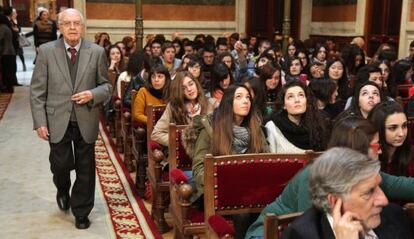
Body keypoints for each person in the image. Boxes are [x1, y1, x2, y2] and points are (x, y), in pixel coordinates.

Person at [245, 117, 414, 238]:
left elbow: (403, 185)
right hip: (267, 232)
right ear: (357, 149)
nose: (381, 151)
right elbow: (315, 226)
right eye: (377, 145)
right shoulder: (316, 175)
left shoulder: (368, 175)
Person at [30, 8, 112, 229]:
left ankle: (81, 211)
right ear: (60, 27)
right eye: (68, 23)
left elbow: (107, 86)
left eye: (77, 23)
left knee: (85, 167)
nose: (73, 27)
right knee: (60, 164)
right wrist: (40, 122)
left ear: (82, 27)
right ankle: (62, 187)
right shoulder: (47, 52)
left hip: (86, 118)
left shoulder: (96, 52)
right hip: (56, 118)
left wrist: (92, 95)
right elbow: (37, 91)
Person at [281, 147, 412, 239]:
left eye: (379, 187)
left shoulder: (394, 215)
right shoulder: (301, 235)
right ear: (334, 201)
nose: (384, 200)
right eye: (368, 192)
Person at [151, 71, 214, 146]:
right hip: (184, 153)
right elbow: (156, 134)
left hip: (208, 151)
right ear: (179, 92)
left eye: (191, 84)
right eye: (184, 88)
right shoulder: (173, 107)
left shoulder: (211, 103)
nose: (189, 89)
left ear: (196, 84)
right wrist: (180, 141)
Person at [266, 81, 327, 153]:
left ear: (306, 101)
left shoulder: (317, 125)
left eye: (301, 95)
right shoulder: (272, 127)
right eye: (290, 97)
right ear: (284, 105)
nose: (297, 100)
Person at [369, 101, 414, 177]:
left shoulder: (411, 153)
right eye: (393, 128)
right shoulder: (368, 156)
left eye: (404, 126)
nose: (401, 134)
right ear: (378, 129)